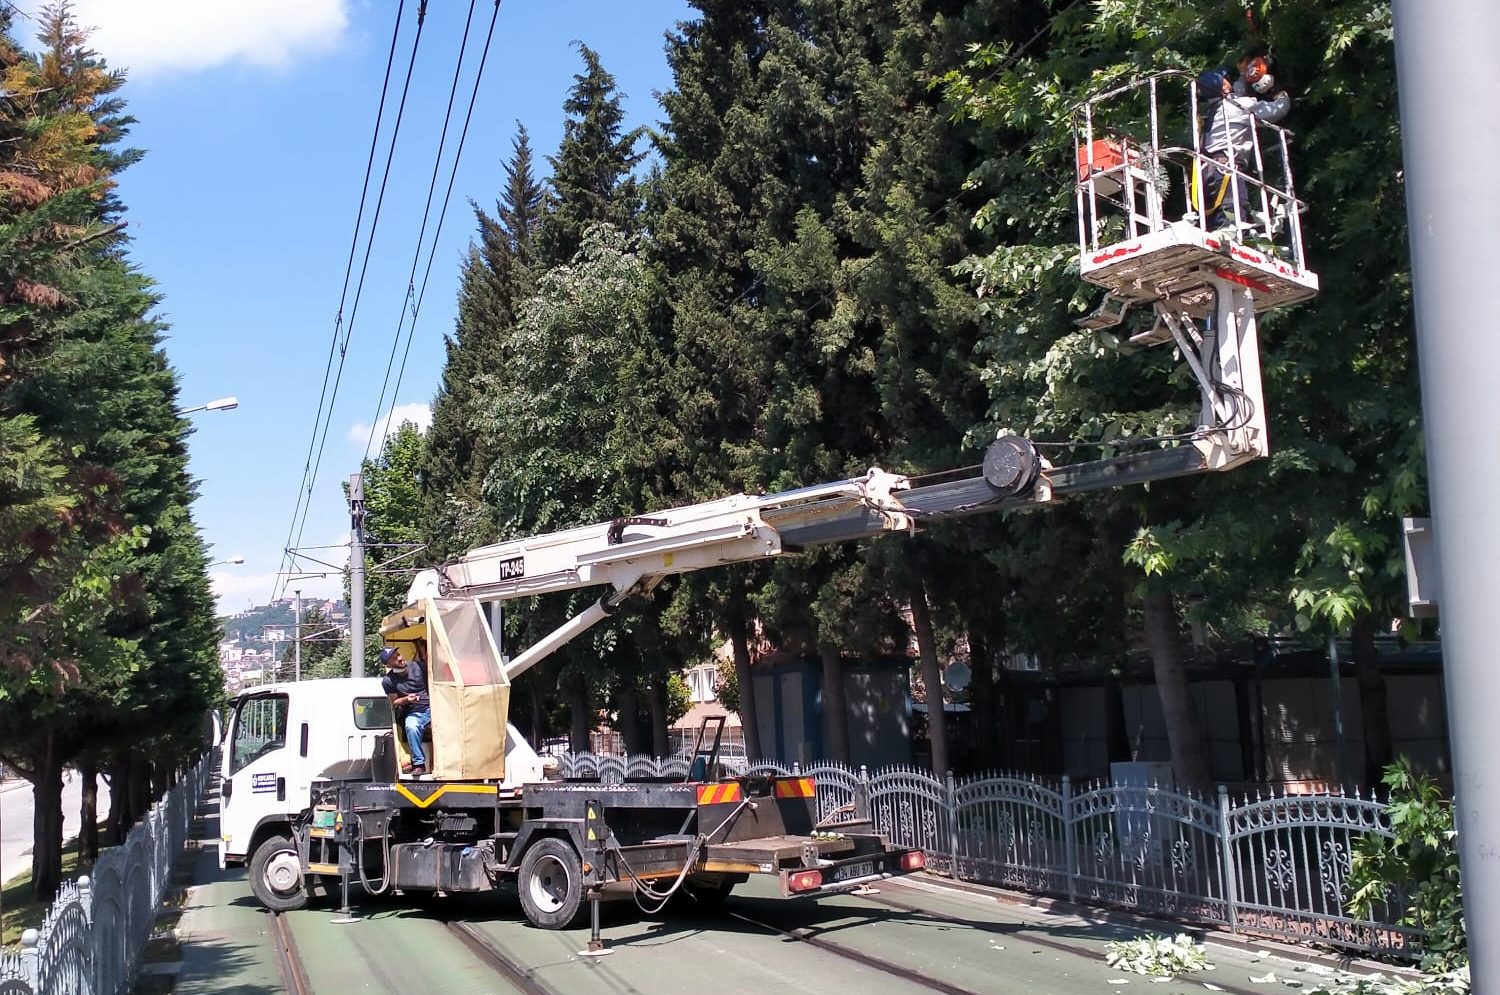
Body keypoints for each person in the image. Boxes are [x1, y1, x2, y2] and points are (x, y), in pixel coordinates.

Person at [1193, 65, 1291, 232]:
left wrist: (1244, 75)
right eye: (1225, 80)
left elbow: (1234, 91)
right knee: (1233, 220)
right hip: (1226, 171)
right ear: (1223, 87)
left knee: (1212, 224)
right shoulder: (1237, 107)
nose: (1229, 81)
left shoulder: (1209, 113)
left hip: (1206, 173)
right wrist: (1282, 94)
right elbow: (1277, 110)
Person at [380, 646, 431, 776]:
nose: (399, 658)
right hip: (415, 713)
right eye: (393, 658)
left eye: (398, 654)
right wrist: (407, 699)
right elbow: (394, 702)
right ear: (388, 664)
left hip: (434, 707)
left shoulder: (419, 666)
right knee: (411, 727)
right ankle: (419, 764)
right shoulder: (388, 681)